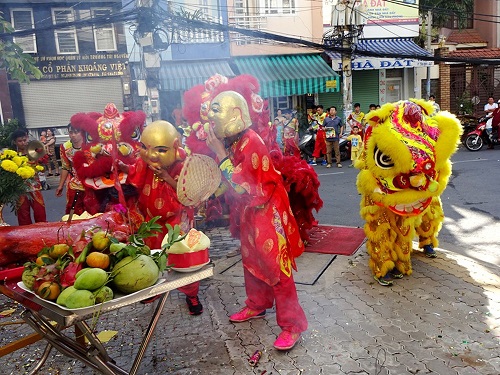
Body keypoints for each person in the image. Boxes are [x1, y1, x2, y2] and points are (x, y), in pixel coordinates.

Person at [205, 90, 308, 351]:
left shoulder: (251, 141)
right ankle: (257, 305)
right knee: (251, 261)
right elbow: (231, 183)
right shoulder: (235, 142)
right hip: (250, 210)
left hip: (266, 209)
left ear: (235, 115)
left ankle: (292, 325)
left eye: (218, 111)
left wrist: (218, 153)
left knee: (277, 267)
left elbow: (242, 184)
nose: (212, 118)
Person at [119, 120, 203, 315]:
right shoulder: (145, 163)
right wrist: (120, 165)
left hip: (177, 219)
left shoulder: (184, 165)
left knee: (183, 254)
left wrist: (166, 176)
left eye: (160, 150)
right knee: (153, 253)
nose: (152, 156)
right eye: (146, 149)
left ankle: (191, 294)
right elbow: (133, 173)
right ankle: (154, 288)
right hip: (152, 218)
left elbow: (188, 193)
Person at [10, 129, 47, 225]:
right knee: (23, 216)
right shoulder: (11, 156)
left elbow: (43, 170)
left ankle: (42, 235)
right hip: (20, 189)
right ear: (15, 142)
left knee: (40, 213)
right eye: (20, 141)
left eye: (24, 140)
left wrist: (42, 164)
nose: (23, 143)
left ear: (27, 138)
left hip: (35, 187)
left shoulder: (36, 151)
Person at [55, 124, 85, 215]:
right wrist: (60, 185)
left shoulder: (90, 144)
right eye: (71, 132)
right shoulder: (65, 147)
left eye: (76, 132)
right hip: (74, 182)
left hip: (90, 181)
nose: (73, 135)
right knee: (74, 209)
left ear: (82, 132)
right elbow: (65, 167)